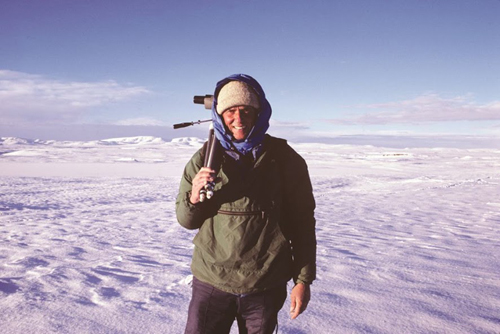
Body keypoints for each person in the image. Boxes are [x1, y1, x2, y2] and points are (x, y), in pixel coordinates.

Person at [176, 74, 316, 334]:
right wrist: (194, 196)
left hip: (264, 286)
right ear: (219, 115)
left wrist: (303, 280)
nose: (238, 119)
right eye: (230, 111)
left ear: (258, 113)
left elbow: (303, 223)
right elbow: (187, 221)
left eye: (245, 111)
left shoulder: (285, 159)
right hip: (211, 282)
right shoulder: (203, 159)